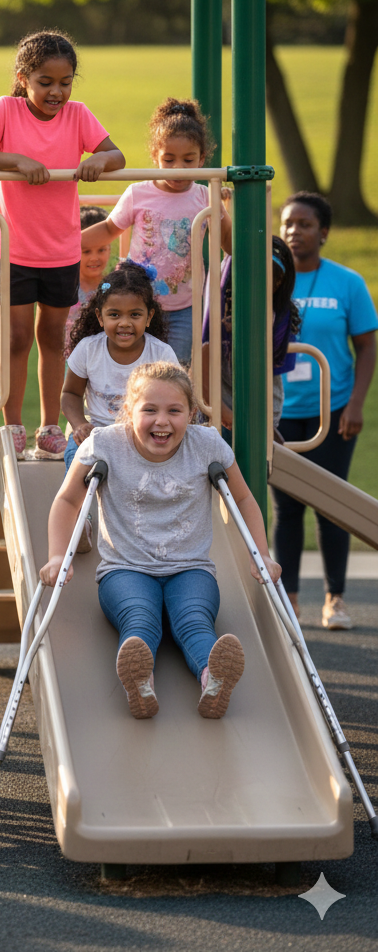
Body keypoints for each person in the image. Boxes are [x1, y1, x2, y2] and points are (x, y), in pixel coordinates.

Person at [40, 362, 280, 720]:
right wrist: (58, 556)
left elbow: (243, 498)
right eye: (149, 410)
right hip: (125, 570)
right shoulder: (105, 444)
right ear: (129, 411)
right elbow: (68, 501)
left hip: (190, 568)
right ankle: (140, 682)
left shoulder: (207, 445)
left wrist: (260, 554)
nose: (161, 421)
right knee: (139, 618)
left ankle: (213, 679)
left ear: (192, 413)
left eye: (174, 411)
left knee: (194, 619)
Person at [0, 30, 126, 459]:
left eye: (65, 82)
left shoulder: (78, 115)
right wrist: (16, 160)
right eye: (45, 82)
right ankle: (13, 425)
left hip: (61, 249)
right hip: (14, 248)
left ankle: (49, 426)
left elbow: (116, 156)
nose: (56, 91)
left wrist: (96, 160)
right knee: (17, 338)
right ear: (24, 79)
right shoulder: (7, 111)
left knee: (54, 337)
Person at [273, 192, 378, 630]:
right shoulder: (271, 279)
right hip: (280, 414)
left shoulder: (347, 283)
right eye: (288, 224)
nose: (295, 231)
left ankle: (335, 600)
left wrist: (355, 404)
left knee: (332, 507)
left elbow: (367, 345)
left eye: (305, 224)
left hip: (332, 413)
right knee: (287, 509)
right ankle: (290, 602)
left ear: (325, 233)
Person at [80, 98, 232, 364]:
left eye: (188, 160)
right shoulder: (139, 193)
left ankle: (174, 407)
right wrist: (66, 245)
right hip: (138, 304)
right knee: (136, 367)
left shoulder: (205, 196)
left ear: (202, 160)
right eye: (169, 159)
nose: (178, 168)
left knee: (174, 369)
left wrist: (226, 208)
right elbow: (108, 228)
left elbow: (230, 244)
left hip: (186, 306)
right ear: (155, 158)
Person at [61, 259, 178, 473]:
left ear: (149, 316)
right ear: (100, 316)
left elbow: (174, 401)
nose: (124, 323)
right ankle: (79, 506)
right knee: (76, 458)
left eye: (135, 314)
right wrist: (79, 424)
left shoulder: (161, 354)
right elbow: (70, 393)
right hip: (97, 434)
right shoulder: (89, 350)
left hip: (143, 436)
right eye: (114, 315)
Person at [201, 235, 301, 437]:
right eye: (250, 276)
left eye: (266, 278)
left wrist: (267, 425)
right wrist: (221, 409)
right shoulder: (221, 308)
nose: (256, 285)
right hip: (218, 398)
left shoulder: (280, 316)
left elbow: (271, 372)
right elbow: (204, 358)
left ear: (279, 283)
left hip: (261, 406)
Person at [63, 205, 114, 357]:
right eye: (86, 251)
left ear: (109, 248)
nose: (94, 258)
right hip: (70, 361)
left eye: (101, 250)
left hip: (104, 360)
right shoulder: (66, 286)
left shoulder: (111, 286)